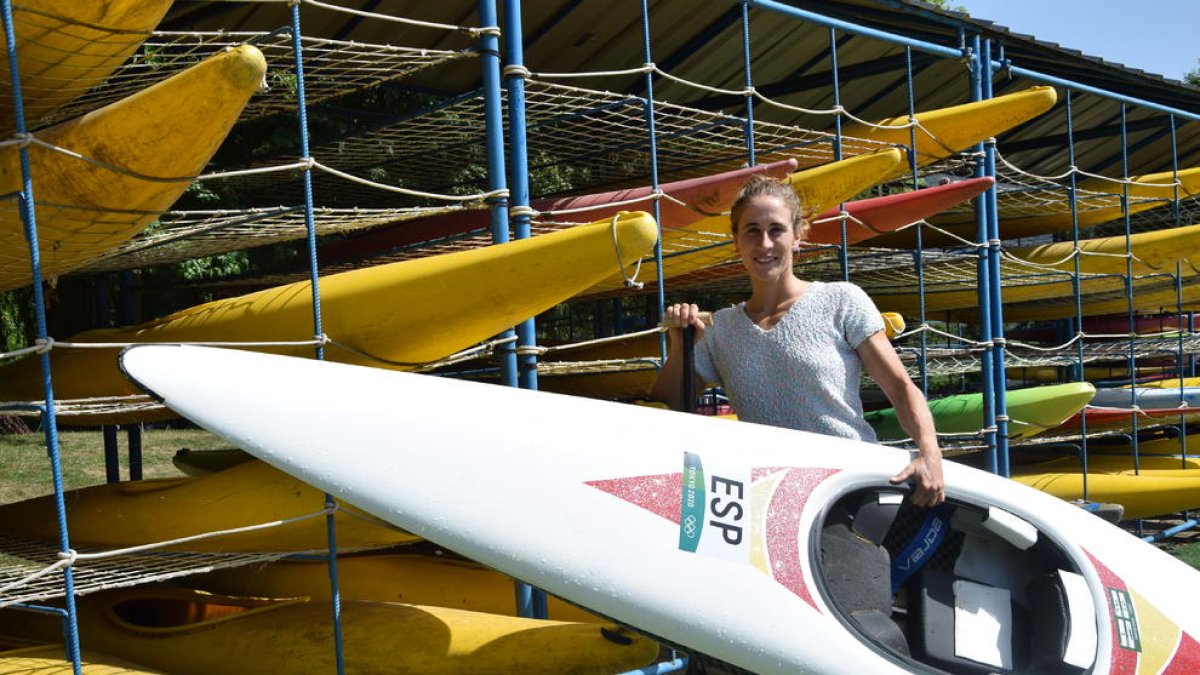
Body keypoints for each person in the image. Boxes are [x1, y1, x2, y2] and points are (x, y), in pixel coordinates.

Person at [650, 175, 945, 507]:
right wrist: (681, 347)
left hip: (849, 490)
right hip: (772, 500)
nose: (764, 244)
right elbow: (666, 407)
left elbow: (901, 387)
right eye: (752, 231)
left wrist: (930, 452)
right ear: (736, 241)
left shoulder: (842, 301)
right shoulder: (722, 329)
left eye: (776, 230)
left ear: (797, 237)